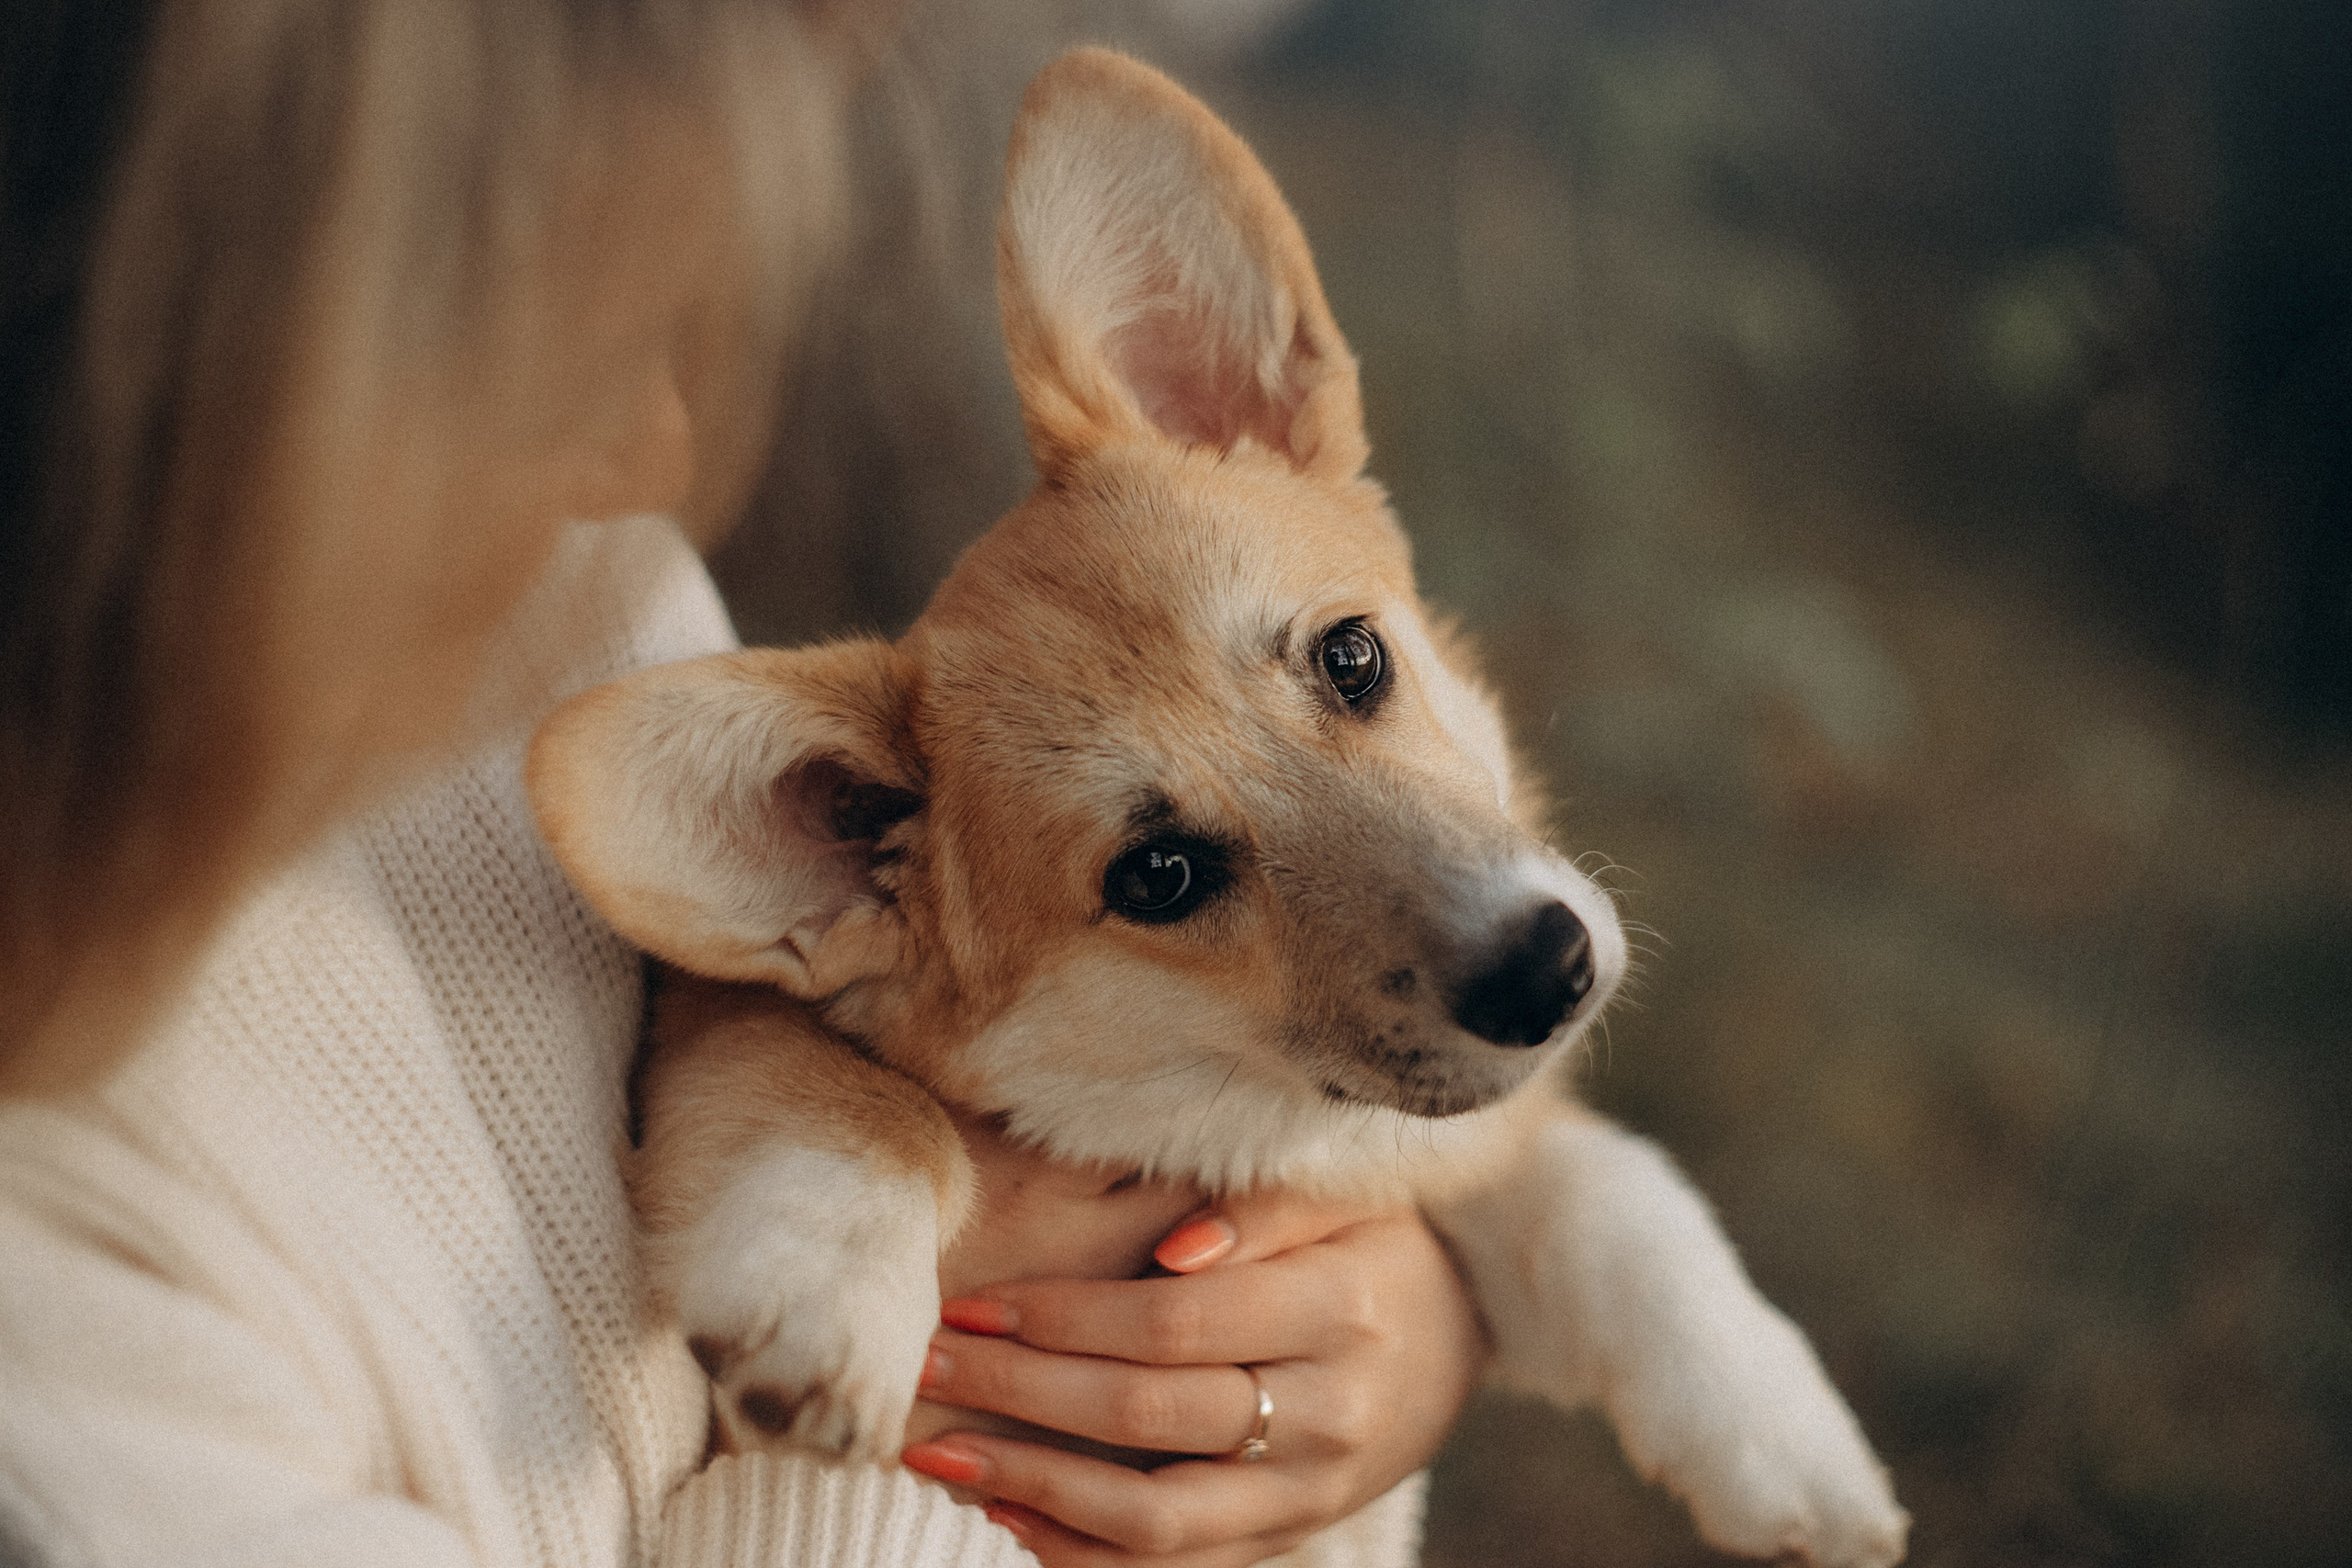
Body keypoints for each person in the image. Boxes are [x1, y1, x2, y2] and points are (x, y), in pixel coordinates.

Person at [0, 5, 1484, 1566]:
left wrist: (1388, 1328)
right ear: (177, 378)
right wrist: (961, 1472)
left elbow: (817, 1063)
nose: (654, 458)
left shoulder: (565, 615)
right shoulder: (59, 1329)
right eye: (558, 359)